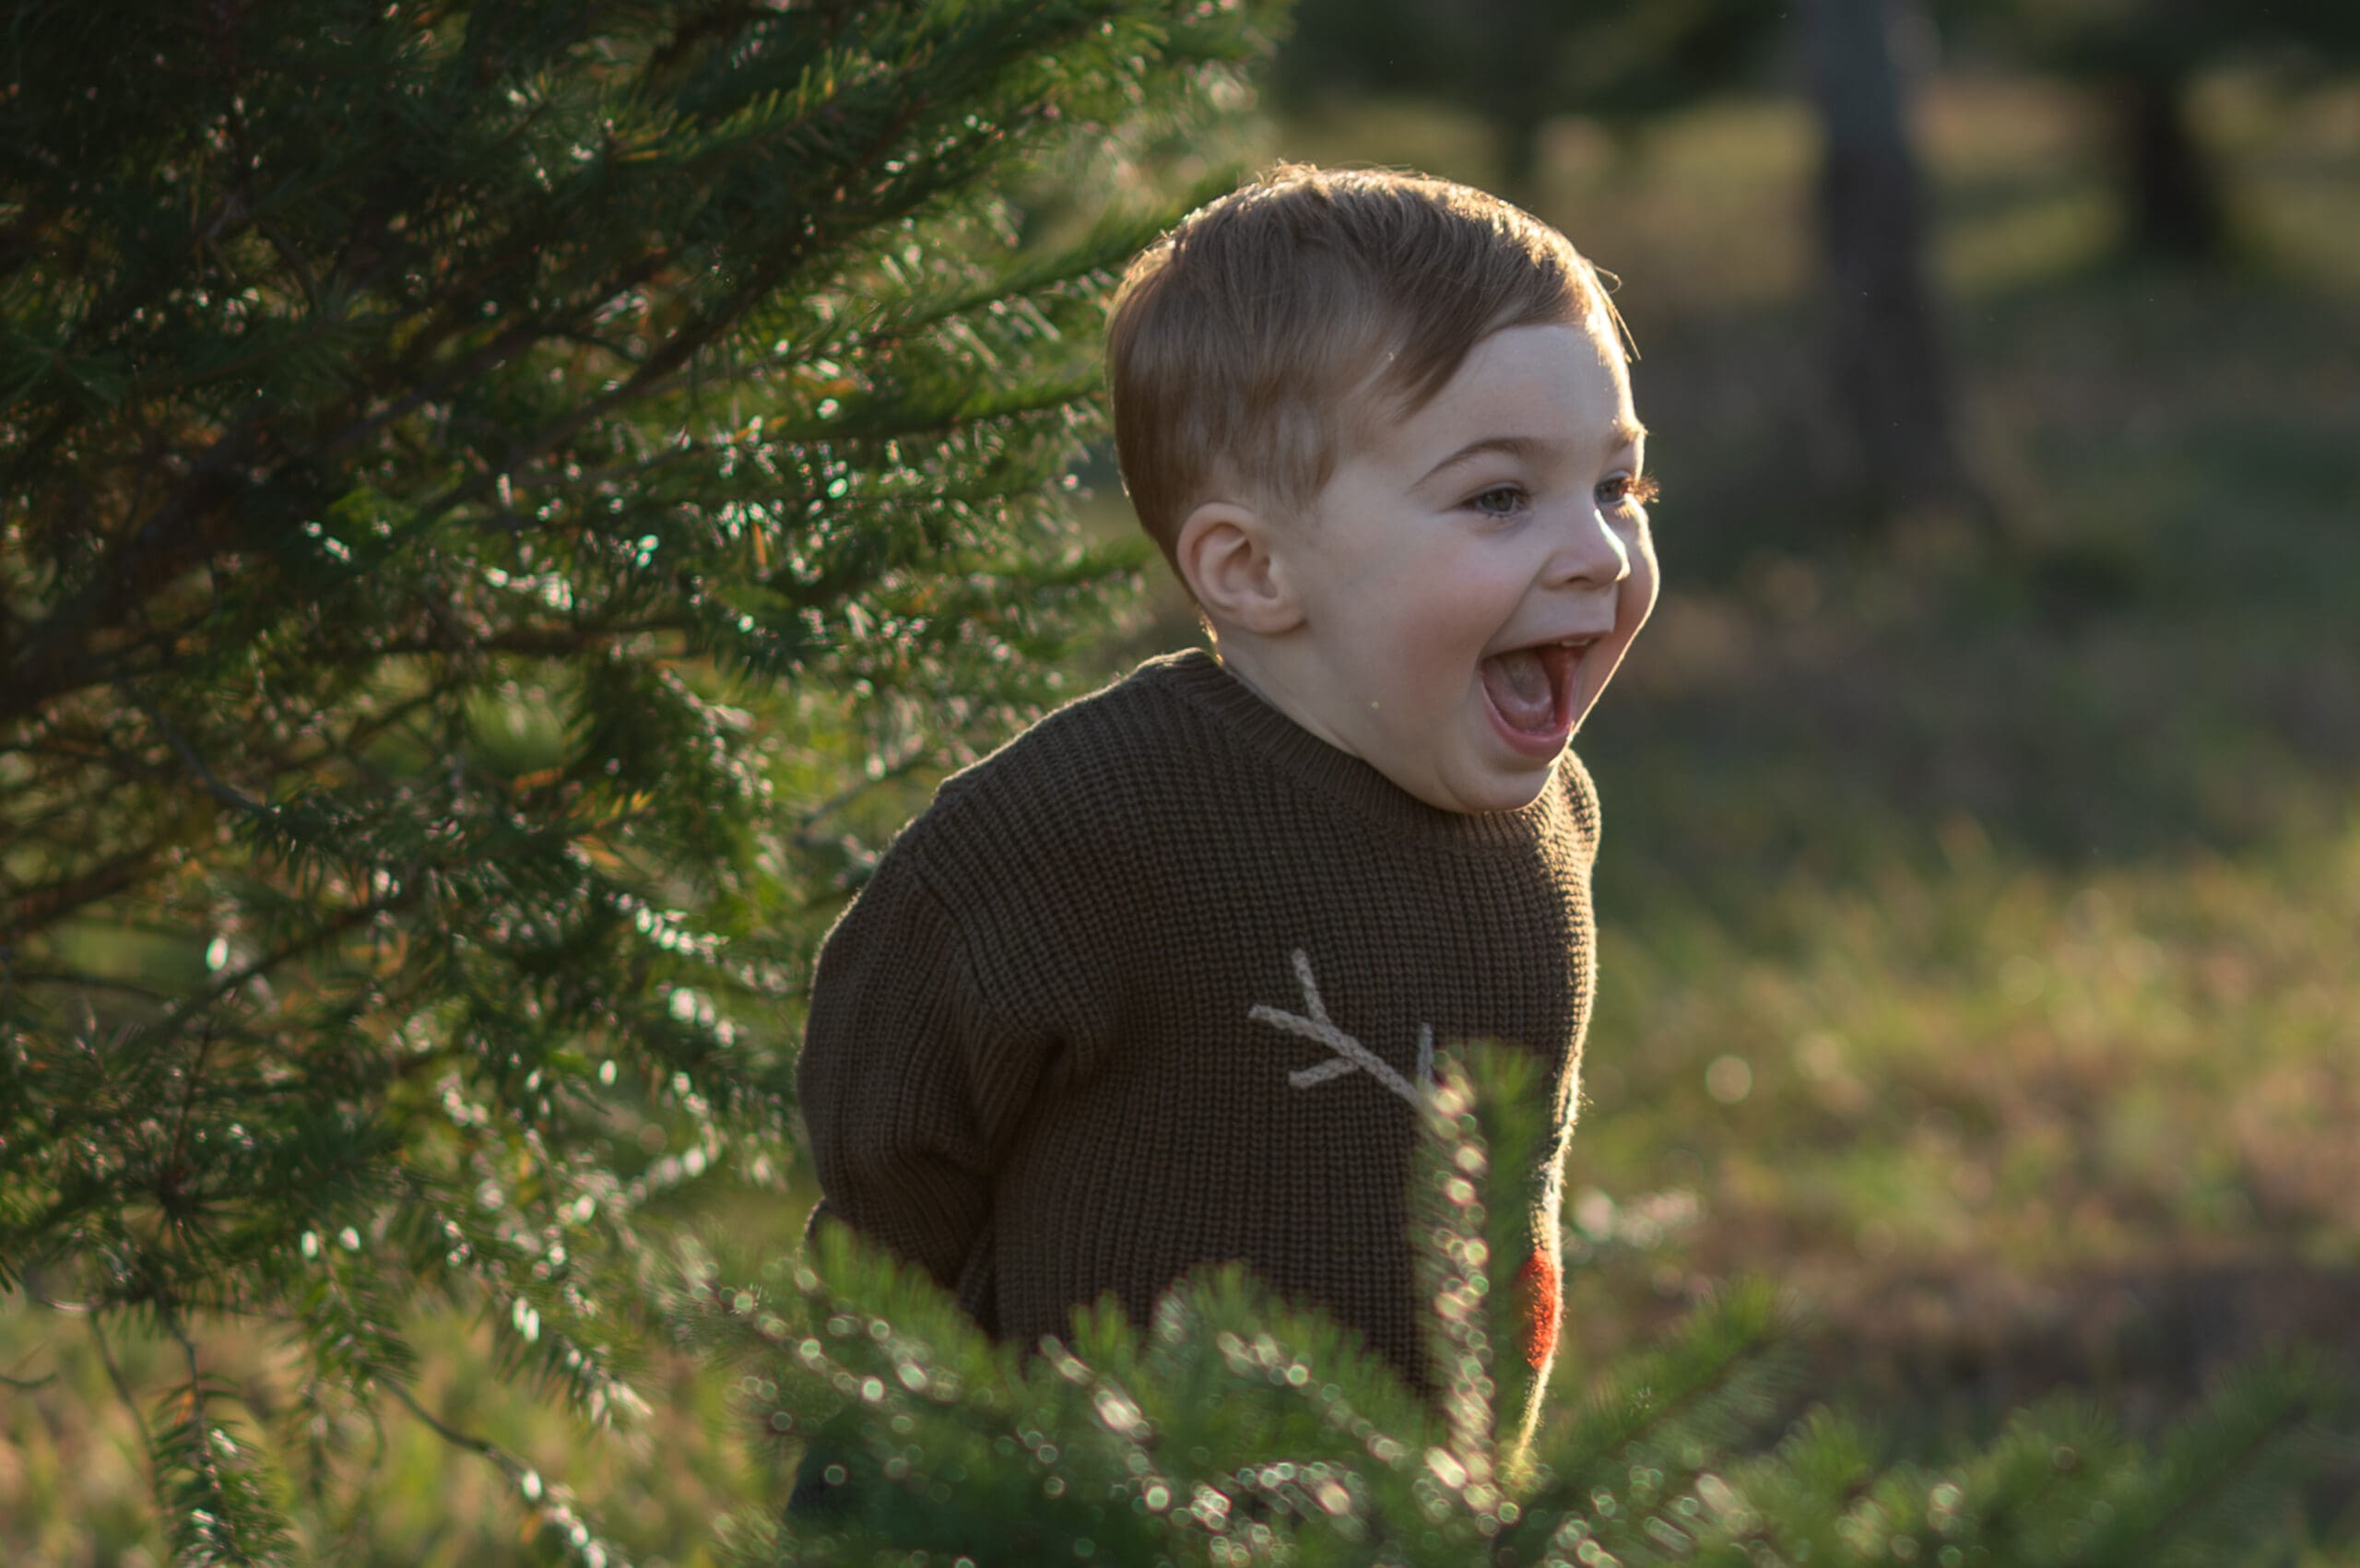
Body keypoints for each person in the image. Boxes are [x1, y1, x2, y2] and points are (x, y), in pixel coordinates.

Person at [789, 162, 1659, 1515]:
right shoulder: (1077, 833)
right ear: (1252, 570)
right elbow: (891, 1131)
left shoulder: (1552, 821)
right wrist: (914, 1432)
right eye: (1500, 498)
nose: (1600, 551)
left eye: (1618, 483)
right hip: (1081, 1513)